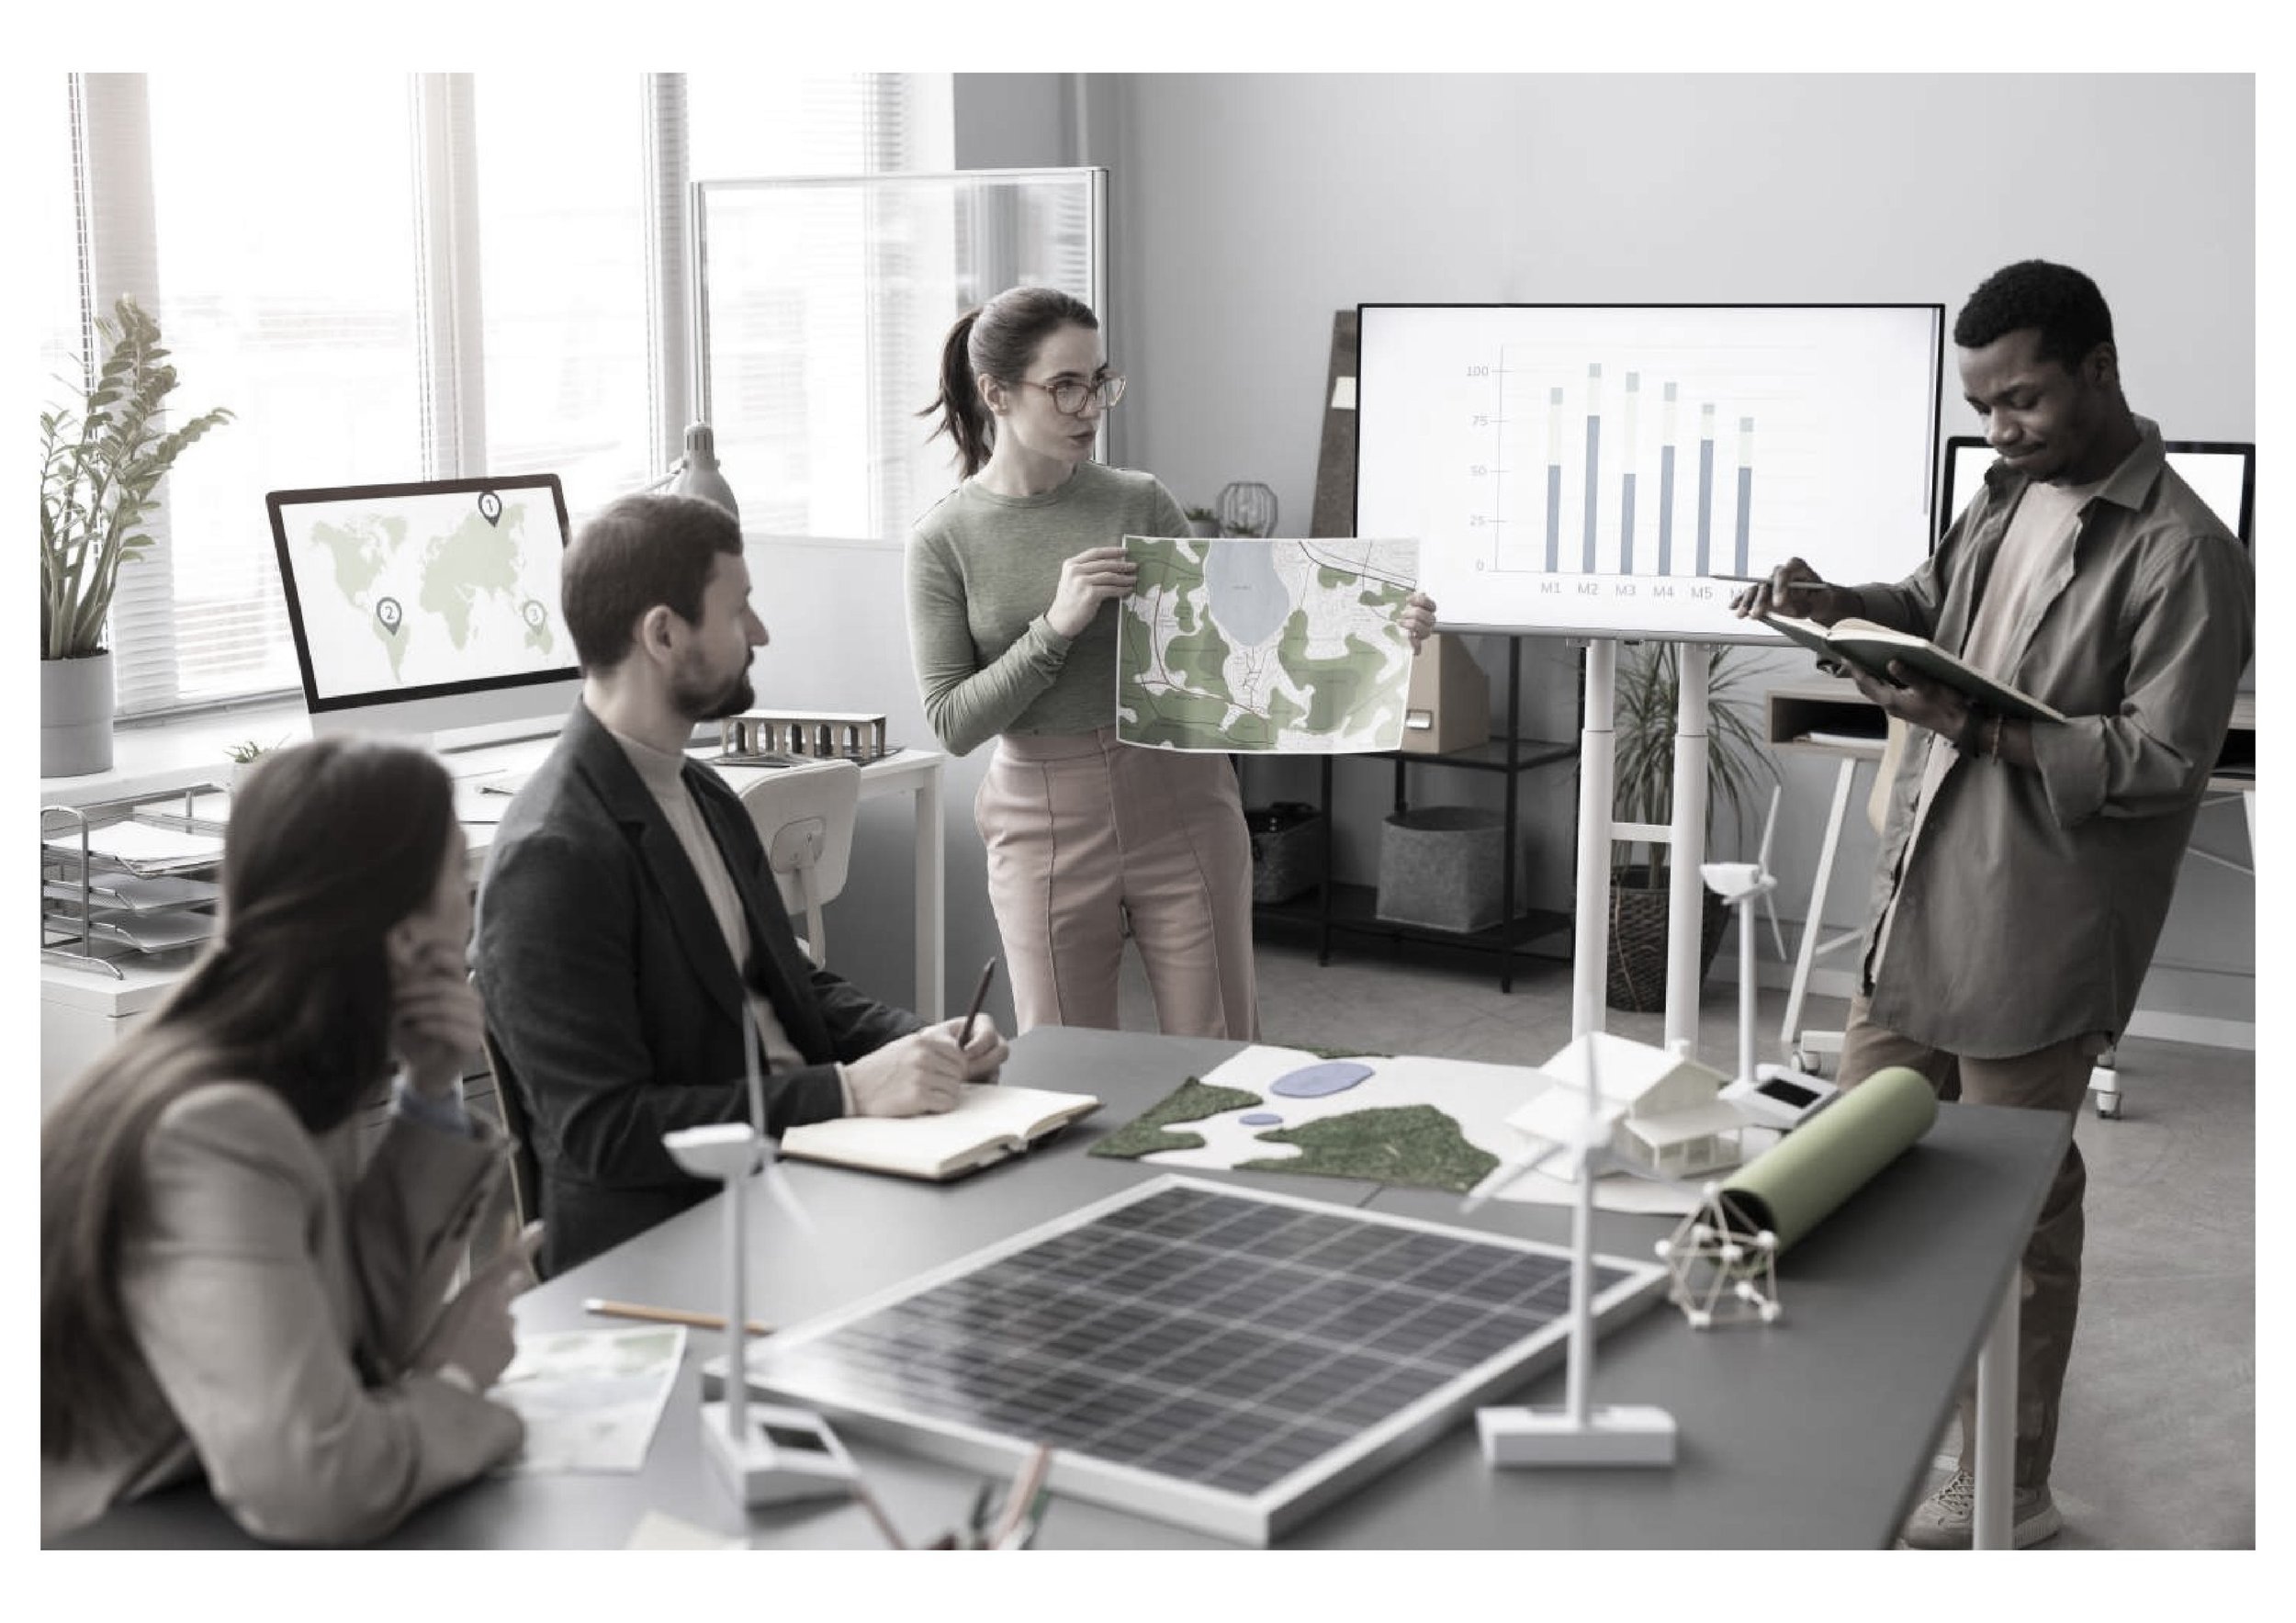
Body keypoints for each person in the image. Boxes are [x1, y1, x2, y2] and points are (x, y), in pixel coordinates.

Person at [1735, 259, 2253, 1549]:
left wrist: (1976, 724)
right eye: (1982, 405)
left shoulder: (2188, 550)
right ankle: (1866, 1423)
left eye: (2021, 399)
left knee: (2010, 1206)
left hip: (2039, 916)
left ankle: (2006, 1482)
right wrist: (1841, 600)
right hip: (1919, 882)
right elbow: (1940, 605)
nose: (2001, 428)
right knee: (1848, 1162)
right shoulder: (2005, 491)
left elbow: (2159, 761)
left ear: (2100, 367)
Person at [474, 493, 1007, 1277]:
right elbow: (605, 1133)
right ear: (663, 634)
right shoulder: (553, 853)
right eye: (740, 608)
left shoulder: (704, 792)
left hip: (799, 1177)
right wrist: (848, 1093)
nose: (760, 632)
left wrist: (915, 1042)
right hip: (671, 1240)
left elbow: (790, 985)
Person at [41, 738, 538, 1546]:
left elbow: (356, 1352)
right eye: (457, 874)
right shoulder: (216, 1132)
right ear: (406, 937)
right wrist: (458, 1376)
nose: (474, 894)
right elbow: (317, 1478)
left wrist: (433, 1091)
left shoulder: (295, 1071)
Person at [908, 286, 1436, 1038]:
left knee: (1219, 1050)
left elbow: (1246, 649)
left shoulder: (1138, 501)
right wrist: (1054, 629)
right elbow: (952, 724)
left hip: (1182, 792)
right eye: (1065, 386)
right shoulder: (944, 540)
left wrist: (1385, 633)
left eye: (1099, 380)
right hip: (1042, 816)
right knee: (1067, 1061)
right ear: (996, 392)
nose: (1091, 406)